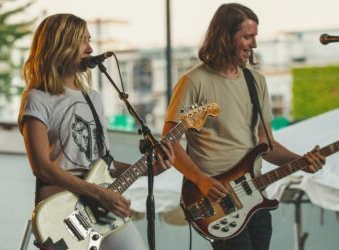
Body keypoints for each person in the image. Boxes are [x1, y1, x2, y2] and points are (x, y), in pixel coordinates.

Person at [162, 3, 326, 250]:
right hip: (216, 200)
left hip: (254, 196)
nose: (254, 44)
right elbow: (169, 143)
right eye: (247, 37)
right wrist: (202, 180)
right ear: (225, 36)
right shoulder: (193, 81)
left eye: (255, 37)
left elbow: (265, 144)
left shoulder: (255, 81)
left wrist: (303, 161)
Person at [18, 13, 174, 250]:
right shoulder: (37, 98)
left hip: (101, 207)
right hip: (62, 211)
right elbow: (41, 167)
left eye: (90, 40)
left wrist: (147, 170)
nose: (90, 49)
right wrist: (99, 194)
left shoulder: (93, 98)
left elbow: (103, 164)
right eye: (82, 41)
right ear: (60, 45)